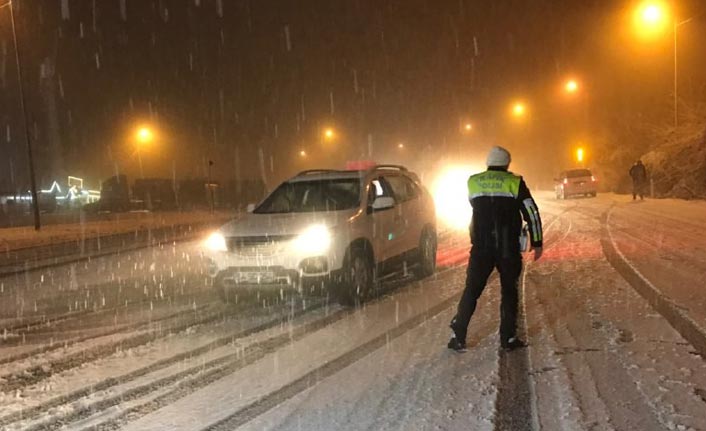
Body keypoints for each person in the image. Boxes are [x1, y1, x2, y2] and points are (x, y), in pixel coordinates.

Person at [448, 146, 543, 353]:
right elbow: (531, 212)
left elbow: (474, 203)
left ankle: (459, 332)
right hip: (508, 247)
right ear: (507, 163)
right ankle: (507, 337)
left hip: (481, 246)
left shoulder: (473, 181)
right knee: (509, 290)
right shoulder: (514, 182)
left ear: (488, 162)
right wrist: (537, 242)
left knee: (472, 289)